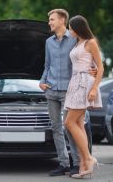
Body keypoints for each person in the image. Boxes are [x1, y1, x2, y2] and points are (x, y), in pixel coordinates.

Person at [39, 9, 95, 177]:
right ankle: (63, 163)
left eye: (52, 19)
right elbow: (47, 65)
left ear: (62, 20)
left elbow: (87, 57)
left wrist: (93, 70)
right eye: (49, 19)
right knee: (56, 127)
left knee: (70, 127)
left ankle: (77, 163)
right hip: (51, 89)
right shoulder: (48, 42)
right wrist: (42, 81)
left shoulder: (75, 39)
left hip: (70, 90)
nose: (49, 22)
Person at [64, 15, 103, 179]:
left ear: (78, 28)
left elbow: (100, 68)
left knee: (69, 122)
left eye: (71, 27)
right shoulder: (77, 43)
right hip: (74, 83)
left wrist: (94, 88)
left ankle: (89, 158)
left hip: (85, 84)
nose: (69, 30)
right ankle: (84, 164)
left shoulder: (90, 42)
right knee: (78, 123)